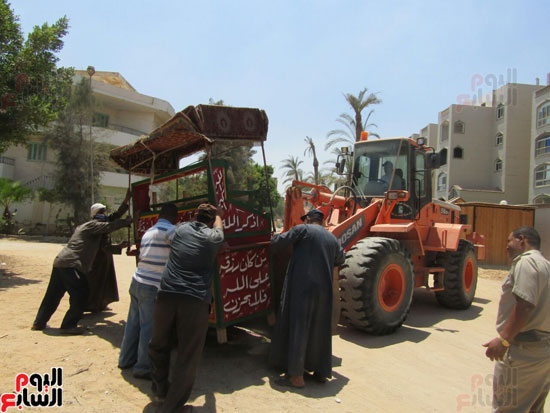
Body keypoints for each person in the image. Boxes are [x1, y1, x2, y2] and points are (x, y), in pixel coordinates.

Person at [149, 204, 224, 412]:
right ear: (211, 222)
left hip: (166, 295)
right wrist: (218, 215)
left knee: (158, 344)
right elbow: (219, 231)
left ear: (194, 216)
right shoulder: (213, 237)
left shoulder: (181, 229)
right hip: (194, 300)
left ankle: (161, 391)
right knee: (187, 355)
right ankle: (172, 408)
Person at [269, 209, 345, 388]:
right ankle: (321, 372)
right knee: (320, 328)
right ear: (323, 222)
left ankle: (296, 377)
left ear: (309, 219)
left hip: (302, 287)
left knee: (299, 327)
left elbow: (277, 243)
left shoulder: (302, 230)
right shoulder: (332, 239)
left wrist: (272, 237)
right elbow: (340, 259)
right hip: (324, 290)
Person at [31, 204, 132, 335]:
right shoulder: (91, 225)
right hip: (72, 264)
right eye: (102, 212)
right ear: (96, 214)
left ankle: (39, 322)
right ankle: (68, 325)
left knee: (52, 295)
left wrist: (119, 246)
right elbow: (109, 226)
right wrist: (127, 222)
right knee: (81, 293)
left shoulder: (92, 230)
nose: (105, 214)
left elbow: (104, 248)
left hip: (61, 262)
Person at [483, 226, 550, 412]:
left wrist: (503, 339)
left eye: (508, 241)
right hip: (541, 352)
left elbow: (525, 304)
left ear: (522, 240)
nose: (506, 247)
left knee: (508, 407)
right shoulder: (545, 265)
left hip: (524, 352)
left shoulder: (526, 263)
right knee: (534, 408)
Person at [118, 203, 179, 380]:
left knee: (133, 324)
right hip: (151, 287)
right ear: (174, 218)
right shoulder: (171, 231)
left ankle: (125, 359)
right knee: (148, 328)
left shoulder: (149, 231)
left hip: (136, 282)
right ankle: (143, 368)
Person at [85, 190, 132, 313]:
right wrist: (119, 247)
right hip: (96, 258)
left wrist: (126, 200)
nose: (103, 213)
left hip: (105, 258)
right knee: (95, 282)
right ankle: (91, 305)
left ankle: (101, 304)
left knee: (105, 282)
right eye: (100, 212)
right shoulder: (95, 225)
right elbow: (103, 246)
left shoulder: (106, 221)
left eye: (103, 211)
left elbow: (116, 216)